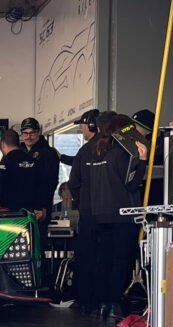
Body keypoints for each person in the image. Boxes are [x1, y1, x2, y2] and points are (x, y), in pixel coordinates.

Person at [87, 114, 149, 321]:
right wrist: (143, 162)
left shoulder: (97, 153)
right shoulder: (121, 154)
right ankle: (115, 304)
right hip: (122, 215)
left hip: (101, 214)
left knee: (104, 260)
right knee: (121, 262)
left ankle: (101, 304)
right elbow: (131, 184)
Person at [67, 109, 113, 316]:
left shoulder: (85, 151)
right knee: (106, 258)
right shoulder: (114, 149)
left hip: (88, 215)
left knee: (85, 258)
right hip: (110, 215)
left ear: (92, 126)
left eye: (83, 125)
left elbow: (73, 183)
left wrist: (81, 202)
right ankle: (105, 302)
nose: (81, 129)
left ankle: (86, 301)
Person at [19, 117, 59, 246]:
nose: (28, 136)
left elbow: (50, 182)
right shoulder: (19, 152)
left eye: (32, 133)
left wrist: (42, 207)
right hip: (21, 208)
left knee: (37, 246)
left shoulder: (48, 153)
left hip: (39, 209)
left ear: (39, 133)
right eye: (25, 133)